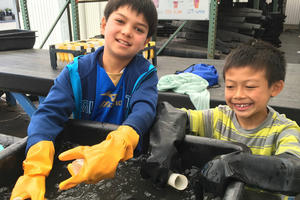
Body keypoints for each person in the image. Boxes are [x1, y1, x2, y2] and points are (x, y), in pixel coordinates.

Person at [10, 0, 158, 199]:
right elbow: (48, 114)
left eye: (138, 29)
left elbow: (145, 109)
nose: (127, 31)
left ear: (146, 40)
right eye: (120, 21)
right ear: (104, 25)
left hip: (125, 159)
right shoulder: (77, 72)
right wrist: (35, 169)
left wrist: (120, 143)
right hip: (81, 157)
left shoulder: (145, 74)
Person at [141, 40, 300, 199]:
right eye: (231, 86)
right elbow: (171, 115)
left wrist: (233, 165)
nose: (238, 95)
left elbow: (293, 169)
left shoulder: (284, 130)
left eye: (250, 86)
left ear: (275, 88)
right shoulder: (219, 118)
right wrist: (160, 156)